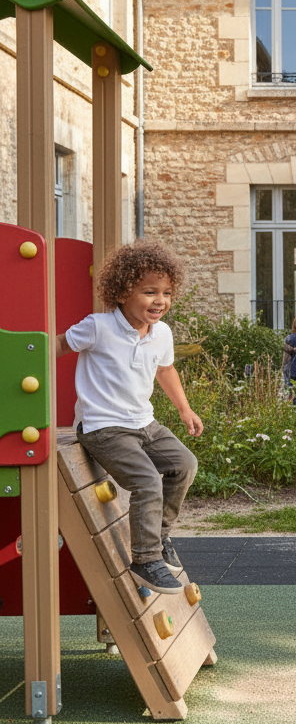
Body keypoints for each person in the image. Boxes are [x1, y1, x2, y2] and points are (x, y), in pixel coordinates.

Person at [56, 241, 202, 595]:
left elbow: (165, 370)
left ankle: (159, 536)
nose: (160, 301)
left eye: (166, 292)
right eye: (149, 291)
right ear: (122, 291)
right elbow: (57, 345)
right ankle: (145, 560)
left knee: (184, 464)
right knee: (147, 481)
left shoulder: (161, 333)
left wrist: (185, 409)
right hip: (102, 426)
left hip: (144, 423)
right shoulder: (98, 327)